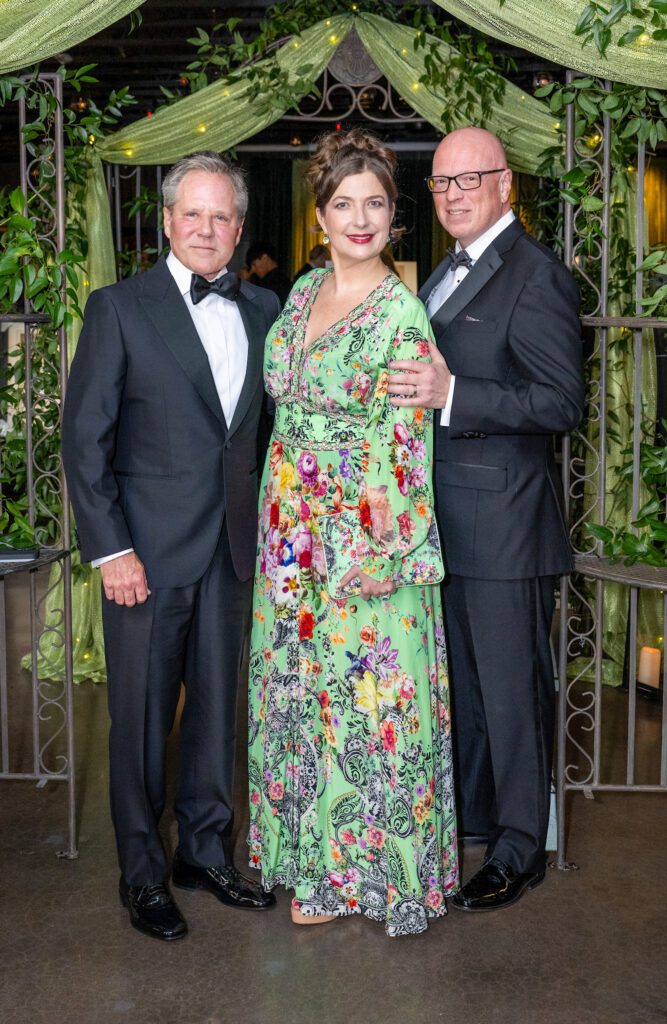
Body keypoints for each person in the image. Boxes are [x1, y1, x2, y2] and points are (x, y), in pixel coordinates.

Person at [62, 151, 280, 941]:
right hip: (143, 562)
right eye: (193, 214)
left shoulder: (265, 310)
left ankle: (206, 851)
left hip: (232, 552)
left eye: (222, 216)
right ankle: (144, 873)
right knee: (143, 723)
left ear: (239, 226)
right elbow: (84, 441)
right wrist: (111, 550)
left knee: (220, 715)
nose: (208, 229)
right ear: (165, 221)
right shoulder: (119, 308)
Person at [247, 129, 459, 937]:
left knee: (366, 699)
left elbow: (406, 438)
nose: (361, 218)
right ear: (320, 213)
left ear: (394, 215)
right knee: (297, 690)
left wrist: (383, 549)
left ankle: (364, 877)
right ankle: (305, 856)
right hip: (289, 532)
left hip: (362, 535)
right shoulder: (299, 295)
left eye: (376, 203)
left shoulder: (401, 310)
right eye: (345, 204)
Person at [388, 126, 583, 912]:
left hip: (504, 528)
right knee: (465, 691)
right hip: (444, 527)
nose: (454, 194)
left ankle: (518, 849)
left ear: (507, 184)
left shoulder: (535, 276)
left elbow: (560, 403)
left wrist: (453, 397)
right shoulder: (445, 271)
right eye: (441, 184)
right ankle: (475, 822)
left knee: (510, 696)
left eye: (470, 179)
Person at [246, 241, 292, 305]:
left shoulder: (272, 284)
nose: (252, 270)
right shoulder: (283, 279)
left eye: (254, 264)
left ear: (264, 258)